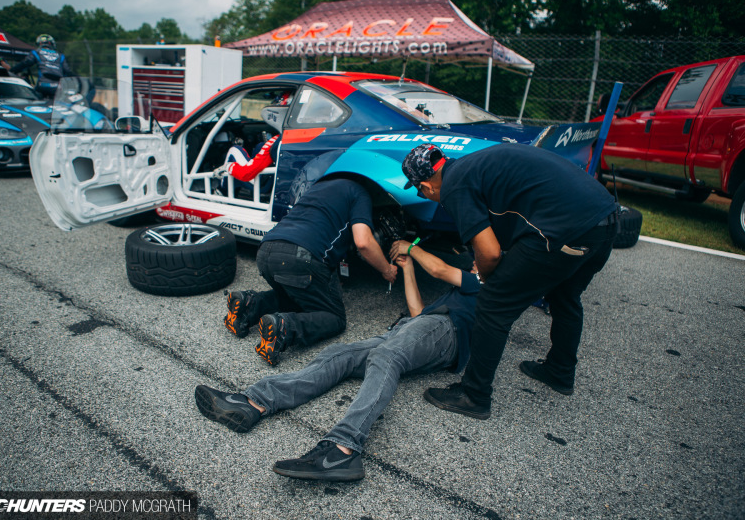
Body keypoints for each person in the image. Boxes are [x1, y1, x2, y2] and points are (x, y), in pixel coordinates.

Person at [195, 240, 481, 481]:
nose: (473, 263)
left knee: (385, 356)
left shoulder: (485, 284)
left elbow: (439, 269)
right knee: (339, 354)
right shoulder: (462, 289)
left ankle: (343, 449)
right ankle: (253, 402)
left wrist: (411, 248)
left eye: (478, 260)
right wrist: (407, 269)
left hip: (445, 331)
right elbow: (418, 313)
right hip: (414, 328)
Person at [400, 143, 618, 419]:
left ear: (425, 186)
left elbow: (489, 254)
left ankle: (473, 395)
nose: (425, 195)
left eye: (419, 190)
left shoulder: (454, 186)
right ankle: (559, 371)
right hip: (605, 219)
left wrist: (489, 281)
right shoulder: (471, 166)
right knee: (564, 296)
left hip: (567, 228)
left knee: (493, 305)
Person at [224, 176, 397, 365]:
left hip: (266, 250)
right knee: (334, 318)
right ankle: (284, 328)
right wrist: (386, 269)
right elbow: (363, 242)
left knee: (297, 296)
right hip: (300, 257)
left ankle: (249, 304)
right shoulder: (360, 192)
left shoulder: (318, 187)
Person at [217, 92, 293, 183]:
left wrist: (227, 167)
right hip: (277, 182)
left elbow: (246, 173)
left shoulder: (275, 141)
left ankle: (221, 191)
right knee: (260, 146)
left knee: (234, 150)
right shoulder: (305, 139)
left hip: (259, 183)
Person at [11, 34, 73, 99]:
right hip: (57, 87)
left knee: (36, 103)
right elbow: (67, 71)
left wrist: (12, 71)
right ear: (52, 43)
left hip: (42, 85)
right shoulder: (60, 55)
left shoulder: (36, 52)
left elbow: (26, 63)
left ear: (39, 44)